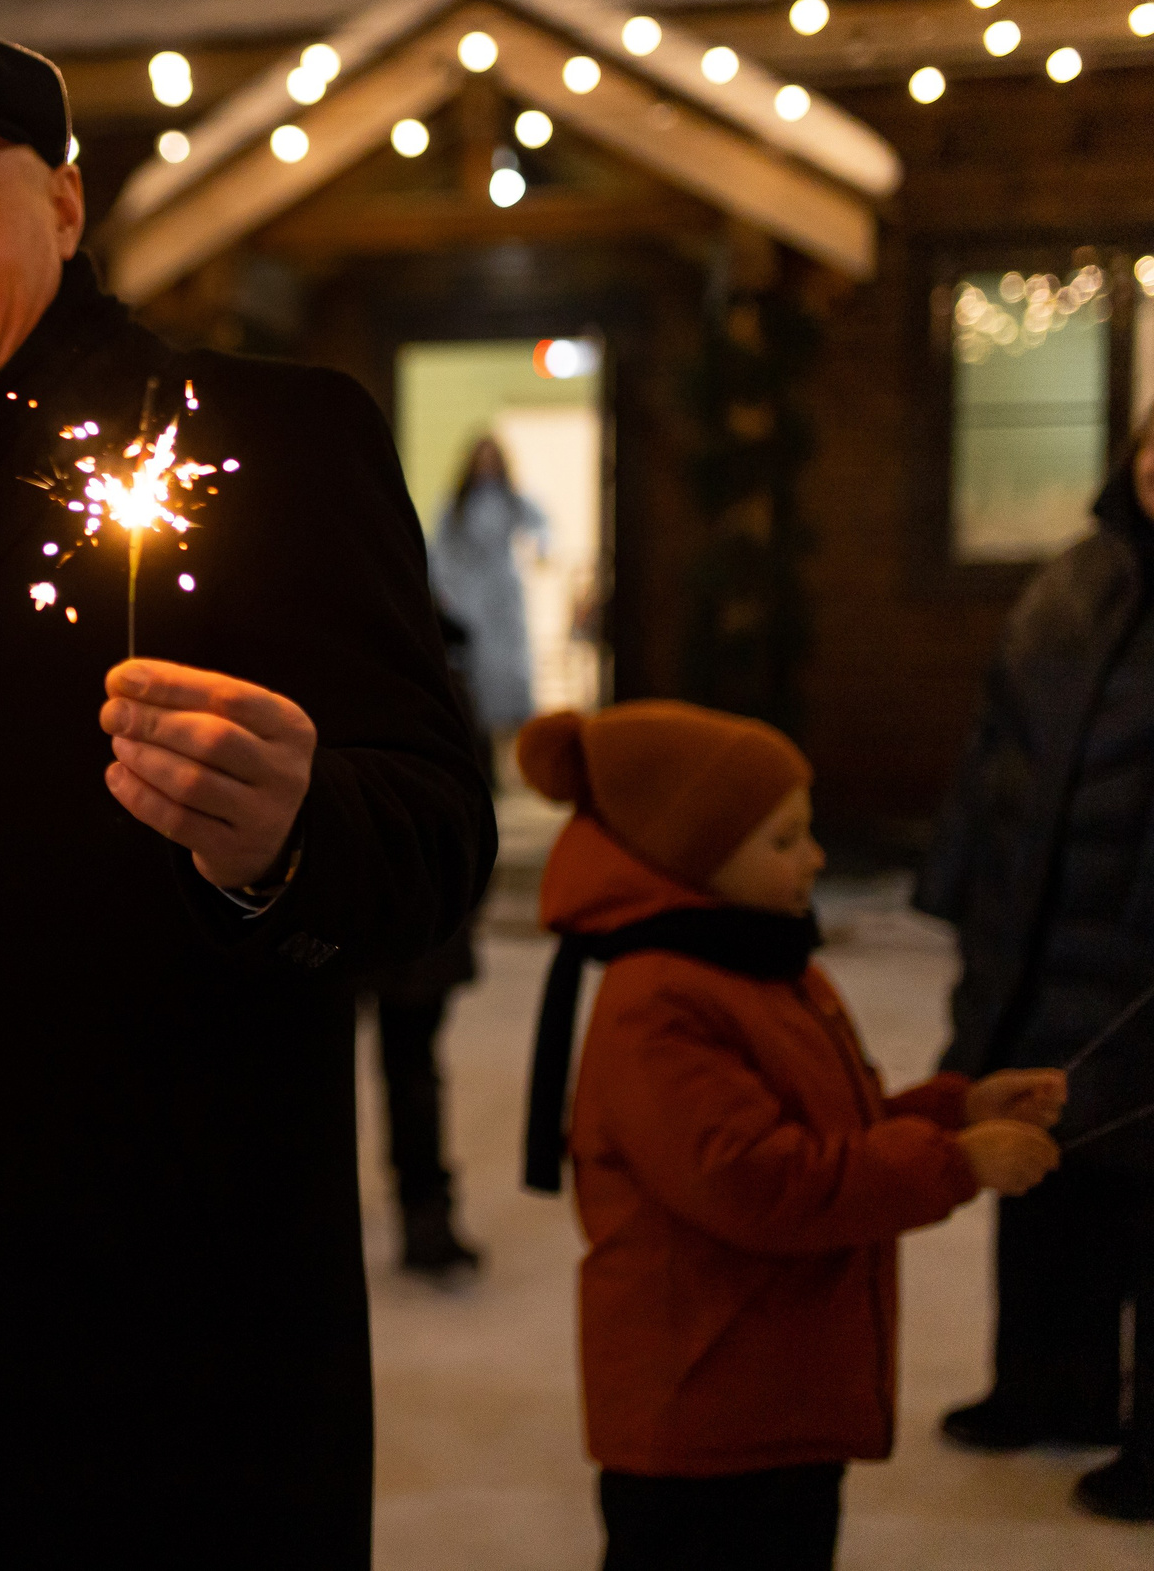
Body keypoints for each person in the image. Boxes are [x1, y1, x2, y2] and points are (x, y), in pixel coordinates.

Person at [0, 29, 496, 1565]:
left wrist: (288, 836)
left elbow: (433, 844)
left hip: (161, 1384)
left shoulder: (267, 438)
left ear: (66, 205)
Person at [515, 700, 1067, 1571]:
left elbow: (830, 1134)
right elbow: (757, 1182)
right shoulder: (659, 1002)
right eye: (784, 839)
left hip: (772, 1394)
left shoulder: (762, 966)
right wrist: (953, 1164)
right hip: (702, 1416)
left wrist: (954, 1111)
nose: (815, 857)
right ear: (694, 857)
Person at [916, 421, 1154, 1520]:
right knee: (1049, 1157)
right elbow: (991, 746)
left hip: (1140, 948)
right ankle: (1047, 1386)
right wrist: (960, 880)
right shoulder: (1070, 584)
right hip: (1040, 933)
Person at [363, 609, 490, 1280]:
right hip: (411, 906)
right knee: (411, 1070)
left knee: (407, 1069)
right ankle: (425, 1217)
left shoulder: (343, 658)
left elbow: (470, 805)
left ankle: (424, 1216)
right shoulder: (440, 676)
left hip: (399, 904)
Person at [427, 433, 550, 742]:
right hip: (472, 597)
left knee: (512, 668)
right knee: (479, 671)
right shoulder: (456, 505)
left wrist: (541, 550)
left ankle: (513, 738)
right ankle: (482, 739)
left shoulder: (511, 500)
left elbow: (542, 525)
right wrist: (445, 590)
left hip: (504, 598)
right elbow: (439, 549)